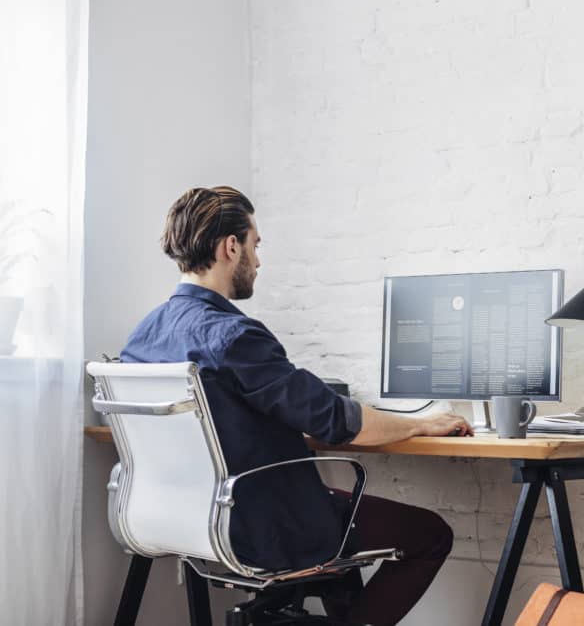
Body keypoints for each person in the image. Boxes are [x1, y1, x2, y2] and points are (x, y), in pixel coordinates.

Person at [120, 186, 473, 626]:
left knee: (336, 535)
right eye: (256, 244)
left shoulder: (143, 335)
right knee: (430, 534)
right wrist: (420, 424)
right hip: (260, 523)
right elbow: (337, 422)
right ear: (232, 247)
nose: (259, 260)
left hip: (186, 518)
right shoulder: (233, 336)